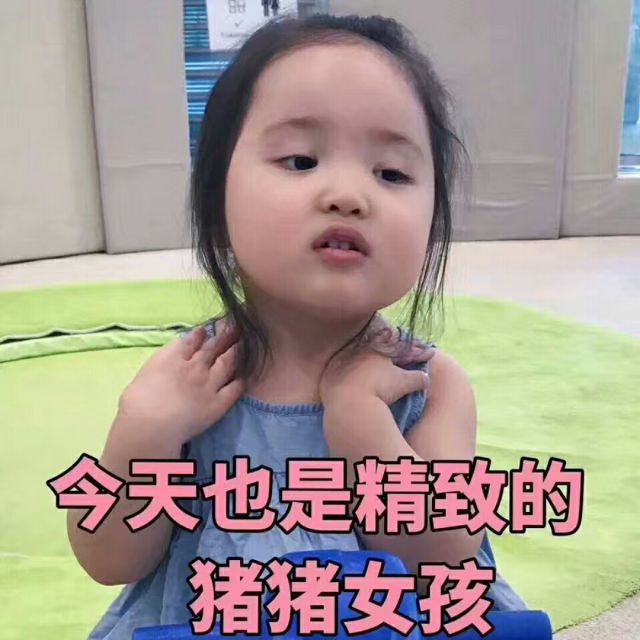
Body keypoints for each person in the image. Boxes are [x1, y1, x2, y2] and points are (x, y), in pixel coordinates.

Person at [73, 13, 528, 639]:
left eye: (391, 173)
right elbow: (107, 559)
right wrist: (144, 431)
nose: (348, 194)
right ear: (217, 196)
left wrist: (361, 420)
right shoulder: (193, 377)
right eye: (300, 159)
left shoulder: (429, 383)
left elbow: (441, 560)